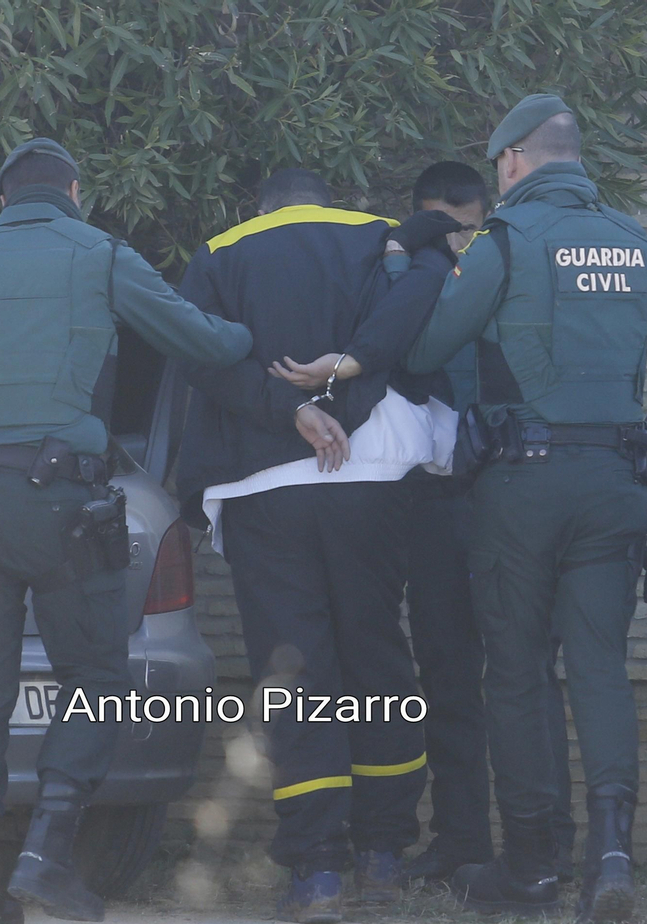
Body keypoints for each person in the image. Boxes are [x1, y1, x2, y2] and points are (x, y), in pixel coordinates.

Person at [0, 138, 253, 924]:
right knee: (96, 674)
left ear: (0, 198)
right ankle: (48, 855)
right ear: (75, 191)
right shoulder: (99, 254)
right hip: (64, 505)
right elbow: (201, 341)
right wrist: (258, 340)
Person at [274, 161, 579, 886]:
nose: (458, 249)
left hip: (516, 492)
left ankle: (546, 848)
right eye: (443, 230)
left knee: (530, 672)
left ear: (487, 217)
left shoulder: (517, 267)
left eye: (467, 229)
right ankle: (462, 841)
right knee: (445, 674)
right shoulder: (404, 282)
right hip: (439, 503)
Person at [401, 95, 647, 922]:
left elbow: (428, 348)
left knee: (515, 671)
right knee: (598, 669)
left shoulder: (504, 242)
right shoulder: (636, 246)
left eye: (499, 165)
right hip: (617, 478)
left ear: (513, 159)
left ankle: (531, 866)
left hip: (522, 484)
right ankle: (612, 854)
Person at [174, 167, 455, 923]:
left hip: (262, 481)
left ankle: (317, 870)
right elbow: (420, 305)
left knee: (295, 668)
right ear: (327, 196)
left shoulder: (220, 251)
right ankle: (385, 852)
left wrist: (289, 410)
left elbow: (200, 356)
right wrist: (345, 402)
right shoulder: (378, 239)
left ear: (261, 208)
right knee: (376, 652)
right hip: (373, 473)